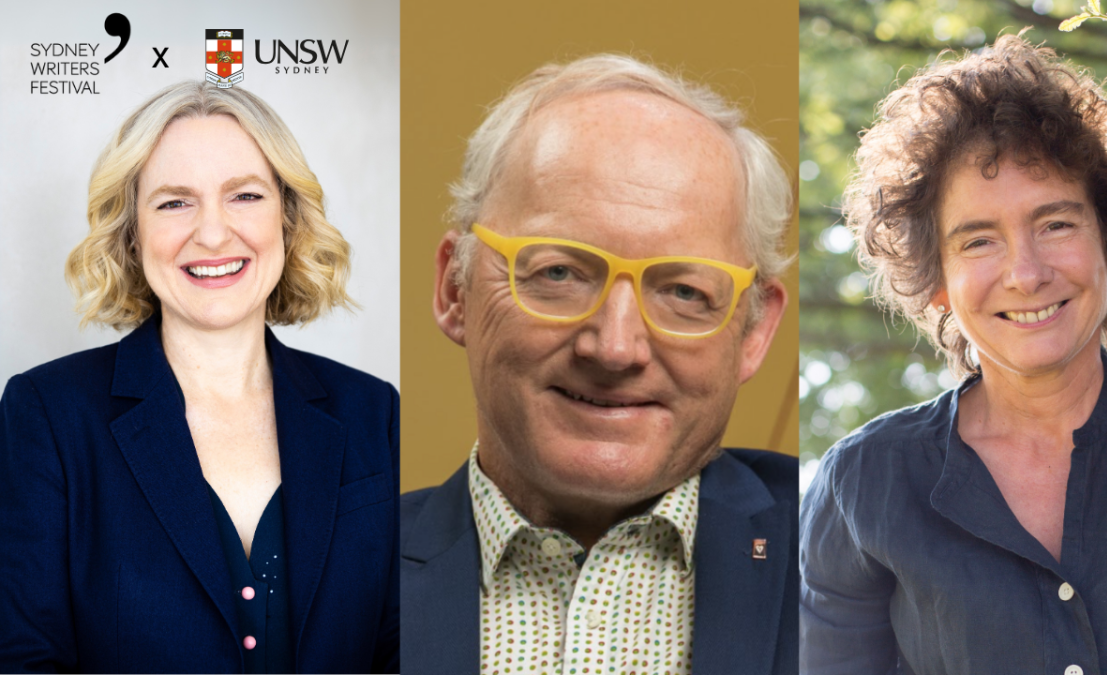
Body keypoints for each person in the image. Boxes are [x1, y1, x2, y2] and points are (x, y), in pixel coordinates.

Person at [797, 34, 1107, 673]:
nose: (1027, 272)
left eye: (1056, 224)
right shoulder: (864, 487)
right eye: (978, 241)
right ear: (937, 280)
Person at [400, 54, 797, 674]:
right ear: (456, 288)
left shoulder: (842, 542)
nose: (614, 349)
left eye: (684, 293)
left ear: (755, 332)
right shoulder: (326, 570)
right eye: (558, 272)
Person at [0, 81, 398, 673]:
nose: (212, 233)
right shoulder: (47, 415)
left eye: (244, 196)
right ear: (132, 235)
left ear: (288, 220)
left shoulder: (374, 412)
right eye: (173, 202)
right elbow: (23, 658)